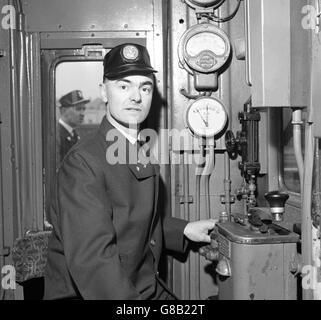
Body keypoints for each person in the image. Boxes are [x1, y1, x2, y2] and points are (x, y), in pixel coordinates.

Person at [44, 43, 216, 300]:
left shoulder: (131, 148)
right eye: (123, 86)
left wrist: (184, 229)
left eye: (144, 88)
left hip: (140, 286)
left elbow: (127, 219)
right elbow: (95, 263)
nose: (136, 97)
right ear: (103, 92)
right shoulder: (83, 163)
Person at [57, 90, 89, 160]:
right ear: (63, 110)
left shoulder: (74, 135)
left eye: (84, 109)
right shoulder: (56, 135)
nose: (82, 113)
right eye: (78, 109)